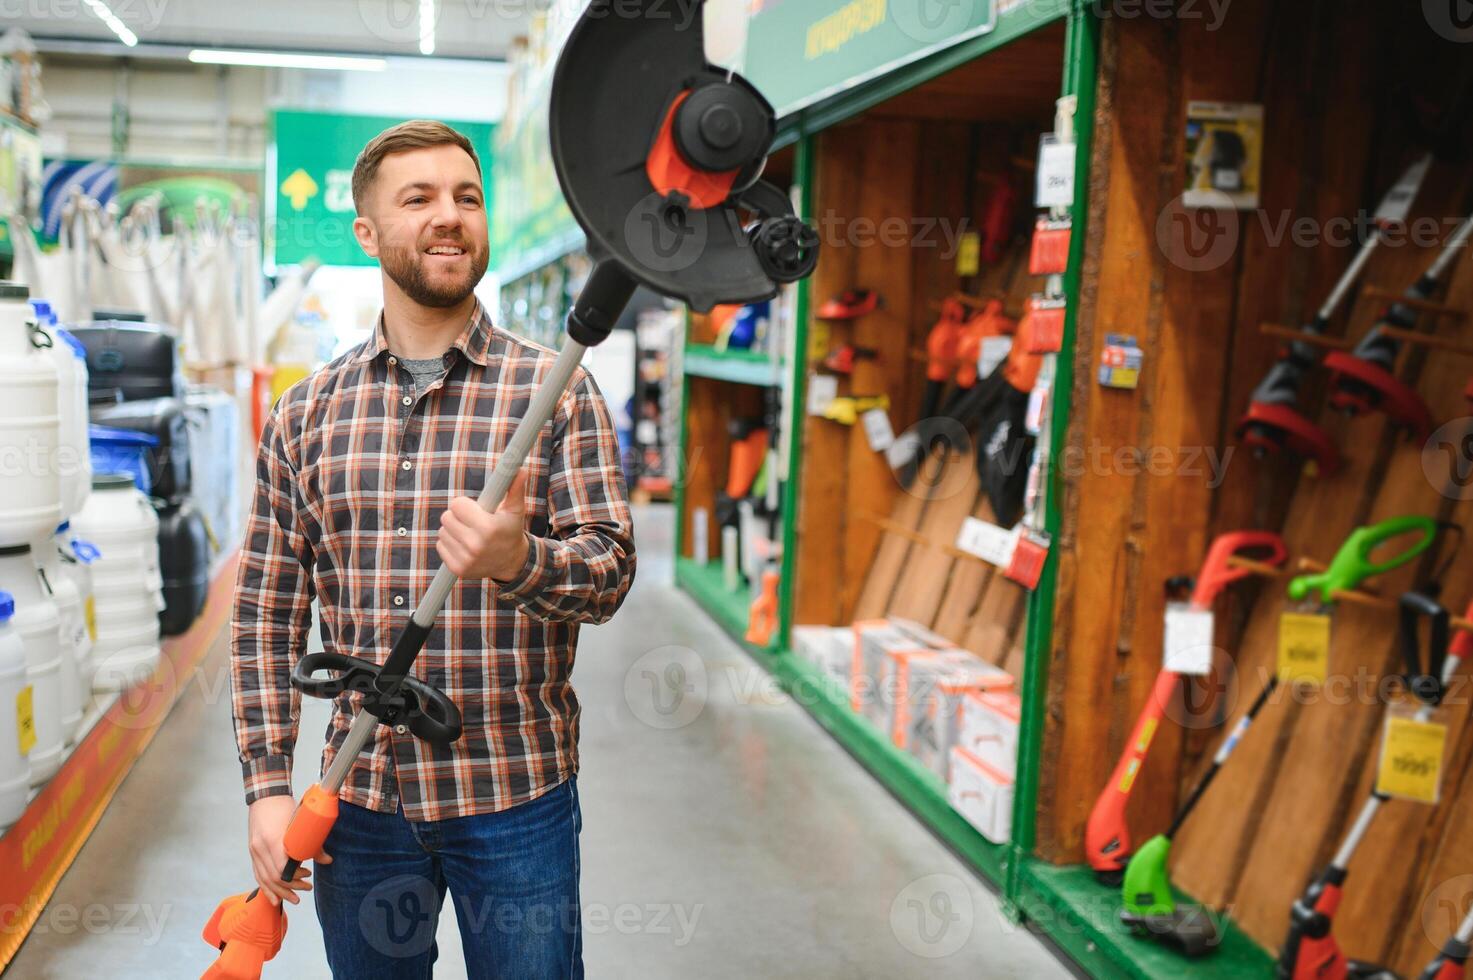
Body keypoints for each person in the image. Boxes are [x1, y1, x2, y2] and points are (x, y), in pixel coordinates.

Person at [230, 120, 636, 978]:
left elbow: (608, 574)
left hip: (513, 793)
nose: (449, 216)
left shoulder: (556, 390)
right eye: (418, 199)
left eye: (467, 197)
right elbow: (265, 615)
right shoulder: (307, 415)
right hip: (360, 797)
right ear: (368, 234)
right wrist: (269, 787)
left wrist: (516, 560)